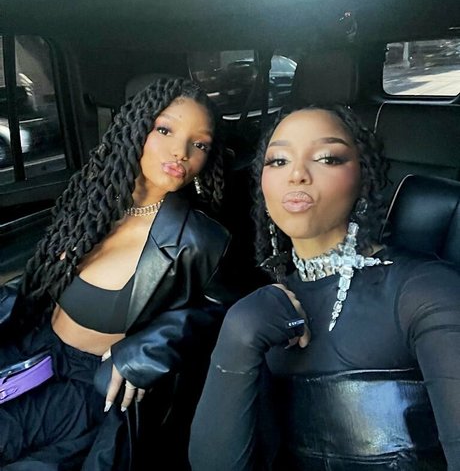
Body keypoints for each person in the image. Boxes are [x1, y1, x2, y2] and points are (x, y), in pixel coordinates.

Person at [189, 105, 460, 470]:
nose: (297, 174)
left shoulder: (425, 290)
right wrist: (236, 337)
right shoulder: (263, 314)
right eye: (279, 161)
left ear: (363, 178)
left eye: (327, 158)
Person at [0, 76, 234, 470]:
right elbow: (42, 278)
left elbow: (224, 312)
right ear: (135, 128)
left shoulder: (200, 239)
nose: (181, 152)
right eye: (165, 130)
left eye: (200, 144)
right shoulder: (93, 201)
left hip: (84, 390)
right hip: (30, 349)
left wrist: (149, 348)